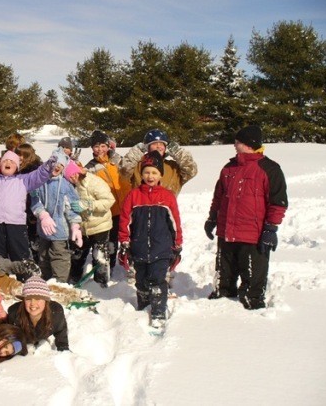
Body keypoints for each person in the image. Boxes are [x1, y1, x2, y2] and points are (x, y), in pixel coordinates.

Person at [205, 125, 288, 310]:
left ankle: (252, 303)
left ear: (249, 144)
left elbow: (278, 202)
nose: (235, 145)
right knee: (223, 272)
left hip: (253, 233)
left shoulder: (269, 169)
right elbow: (219, 197)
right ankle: (222, 297)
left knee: (253, 275)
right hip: (226, 230)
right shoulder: (229, 167)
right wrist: (212, 218)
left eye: (238, 142)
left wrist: (270, 229)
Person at [118, 151, 183, 328]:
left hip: (161, 248)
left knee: (158, 280)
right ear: (141, 174)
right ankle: (143, 307)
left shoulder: (167, 196)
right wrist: (124, 242)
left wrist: (177, 244)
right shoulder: (134, 195)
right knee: (141, 281)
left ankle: (158, 311)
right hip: (138, 247)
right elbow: (125, 220)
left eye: (154, 172)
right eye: (146, 172)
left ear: (160, 174)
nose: (150, 176)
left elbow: (175, 222)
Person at [0, 228, 90, 306]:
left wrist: (23, 265)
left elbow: (9, 266)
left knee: (36, 292)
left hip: (8, 285)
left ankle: (73, 295)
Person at [31, 152, 83, 283]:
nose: (57, 167)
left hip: (60, 231)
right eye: (55, 163)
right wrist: (42, 215)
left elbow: (71, 207)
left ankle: (60, 284)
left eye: (61, 165)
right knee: (43, 257)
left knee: (59, 257)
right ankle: (46, 282)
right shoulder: (40, 182)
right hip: (43, 231)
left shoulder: (66, 185)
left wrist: (75, 226)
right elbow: (35, 201)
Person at [85, 130, 132, 271]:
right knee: (110, 243)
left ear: (109, 146)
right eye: (96, 146)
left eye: (103, 146)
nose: (100, 149)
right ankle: (108, 268)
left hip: (126, 207)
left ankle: (131, 265)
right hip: (108, 211)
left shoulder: (117, 160)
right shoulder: (90, 167)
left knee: (129, 239)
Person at [65, 160, 115, 287]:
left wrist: (89, 205)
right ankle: (74, 280)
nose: (72, 178)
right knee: (77, 254)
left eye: (73, 174)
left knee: (100, 256)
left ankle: (101, 283)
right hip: (81, 227)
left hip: (100, 225)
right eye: (68, 177)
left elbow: (109, 200)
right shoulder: (70, 186)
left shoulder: (94, 182)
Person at [119, 128, 198, 197]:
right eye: (154, 144)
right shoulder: (137, 166)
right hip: (141, 211)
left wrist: (179, 152)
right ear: (147, 147)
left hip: (166, 211)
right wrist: (137, 151)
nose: (158, 146)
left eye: (161, 144)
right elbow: (123, 171)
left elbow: (191, 171)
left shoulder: (173, 167)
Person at [7, 275, 69, 351]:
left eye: (38, 299)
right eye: (28, 299)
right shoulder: (14, 313)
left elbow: (60, 330)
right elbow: (10, 335)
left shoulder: (55, 312)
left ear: (45, 301)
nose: (33, 303)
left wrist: (63, 347)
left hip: (42, 335)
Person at [15, 143, 43, 266]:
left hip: (32, 209)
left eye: (23, 155)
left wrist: (32, 212)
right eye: (18, 154)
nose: (20, 157)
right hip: (18, 209)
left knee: (33, 240)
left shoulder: (34, 169)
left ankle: (35, 265)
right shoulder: (15, 168)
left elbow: (36, 193)